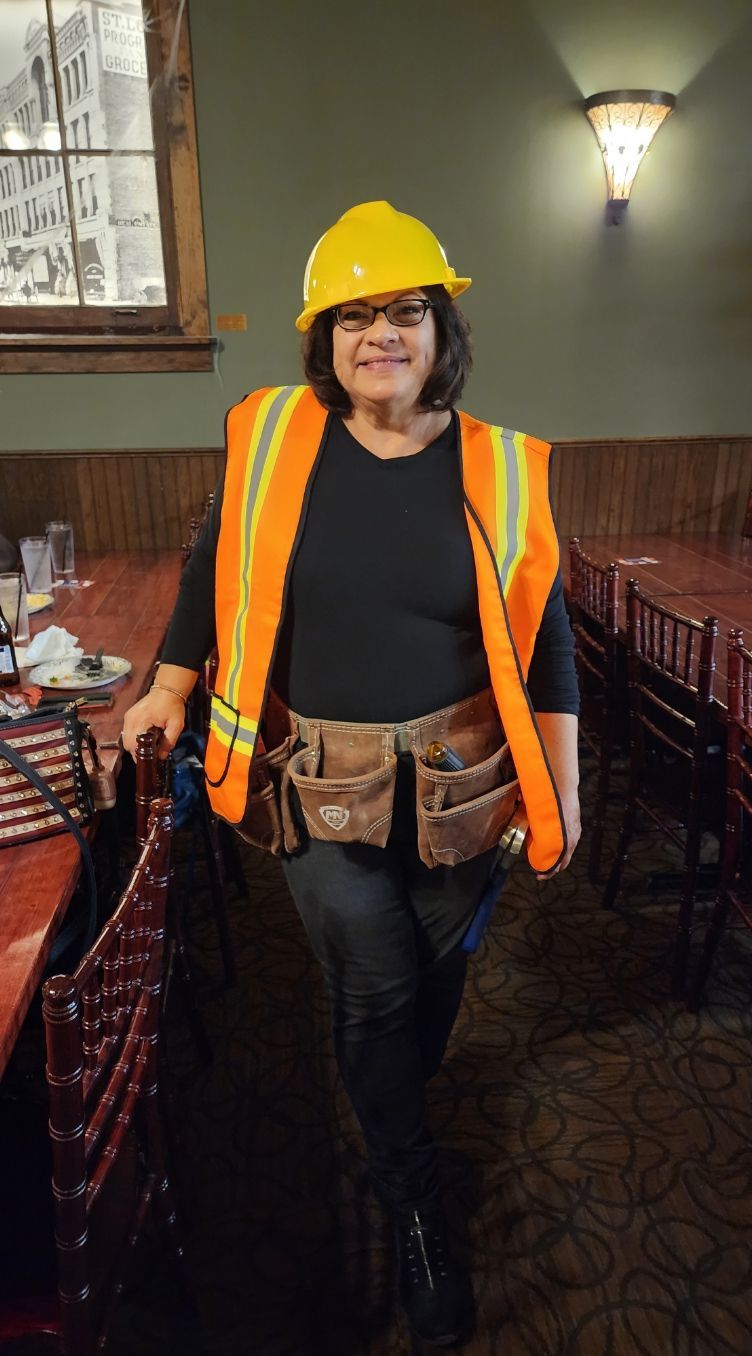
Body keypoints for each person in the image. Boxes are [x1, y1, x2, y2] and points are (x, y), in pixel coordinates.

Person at [123, 200, 581, 1348]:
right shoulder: (274, 438)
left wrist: (563, 790)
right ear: (323, 339)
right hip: (318, 788)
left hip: (464, 793)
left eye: (405, 311)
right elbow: (211, 570)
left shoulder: (502, 469)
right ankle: (413, 1201)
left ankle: (387, 1107)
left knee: (428, 994)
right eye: (353, 315)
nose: (380, 333)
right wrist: (171, 686)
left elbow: (549, 650)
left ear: (441, 332)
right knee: (372, 987)